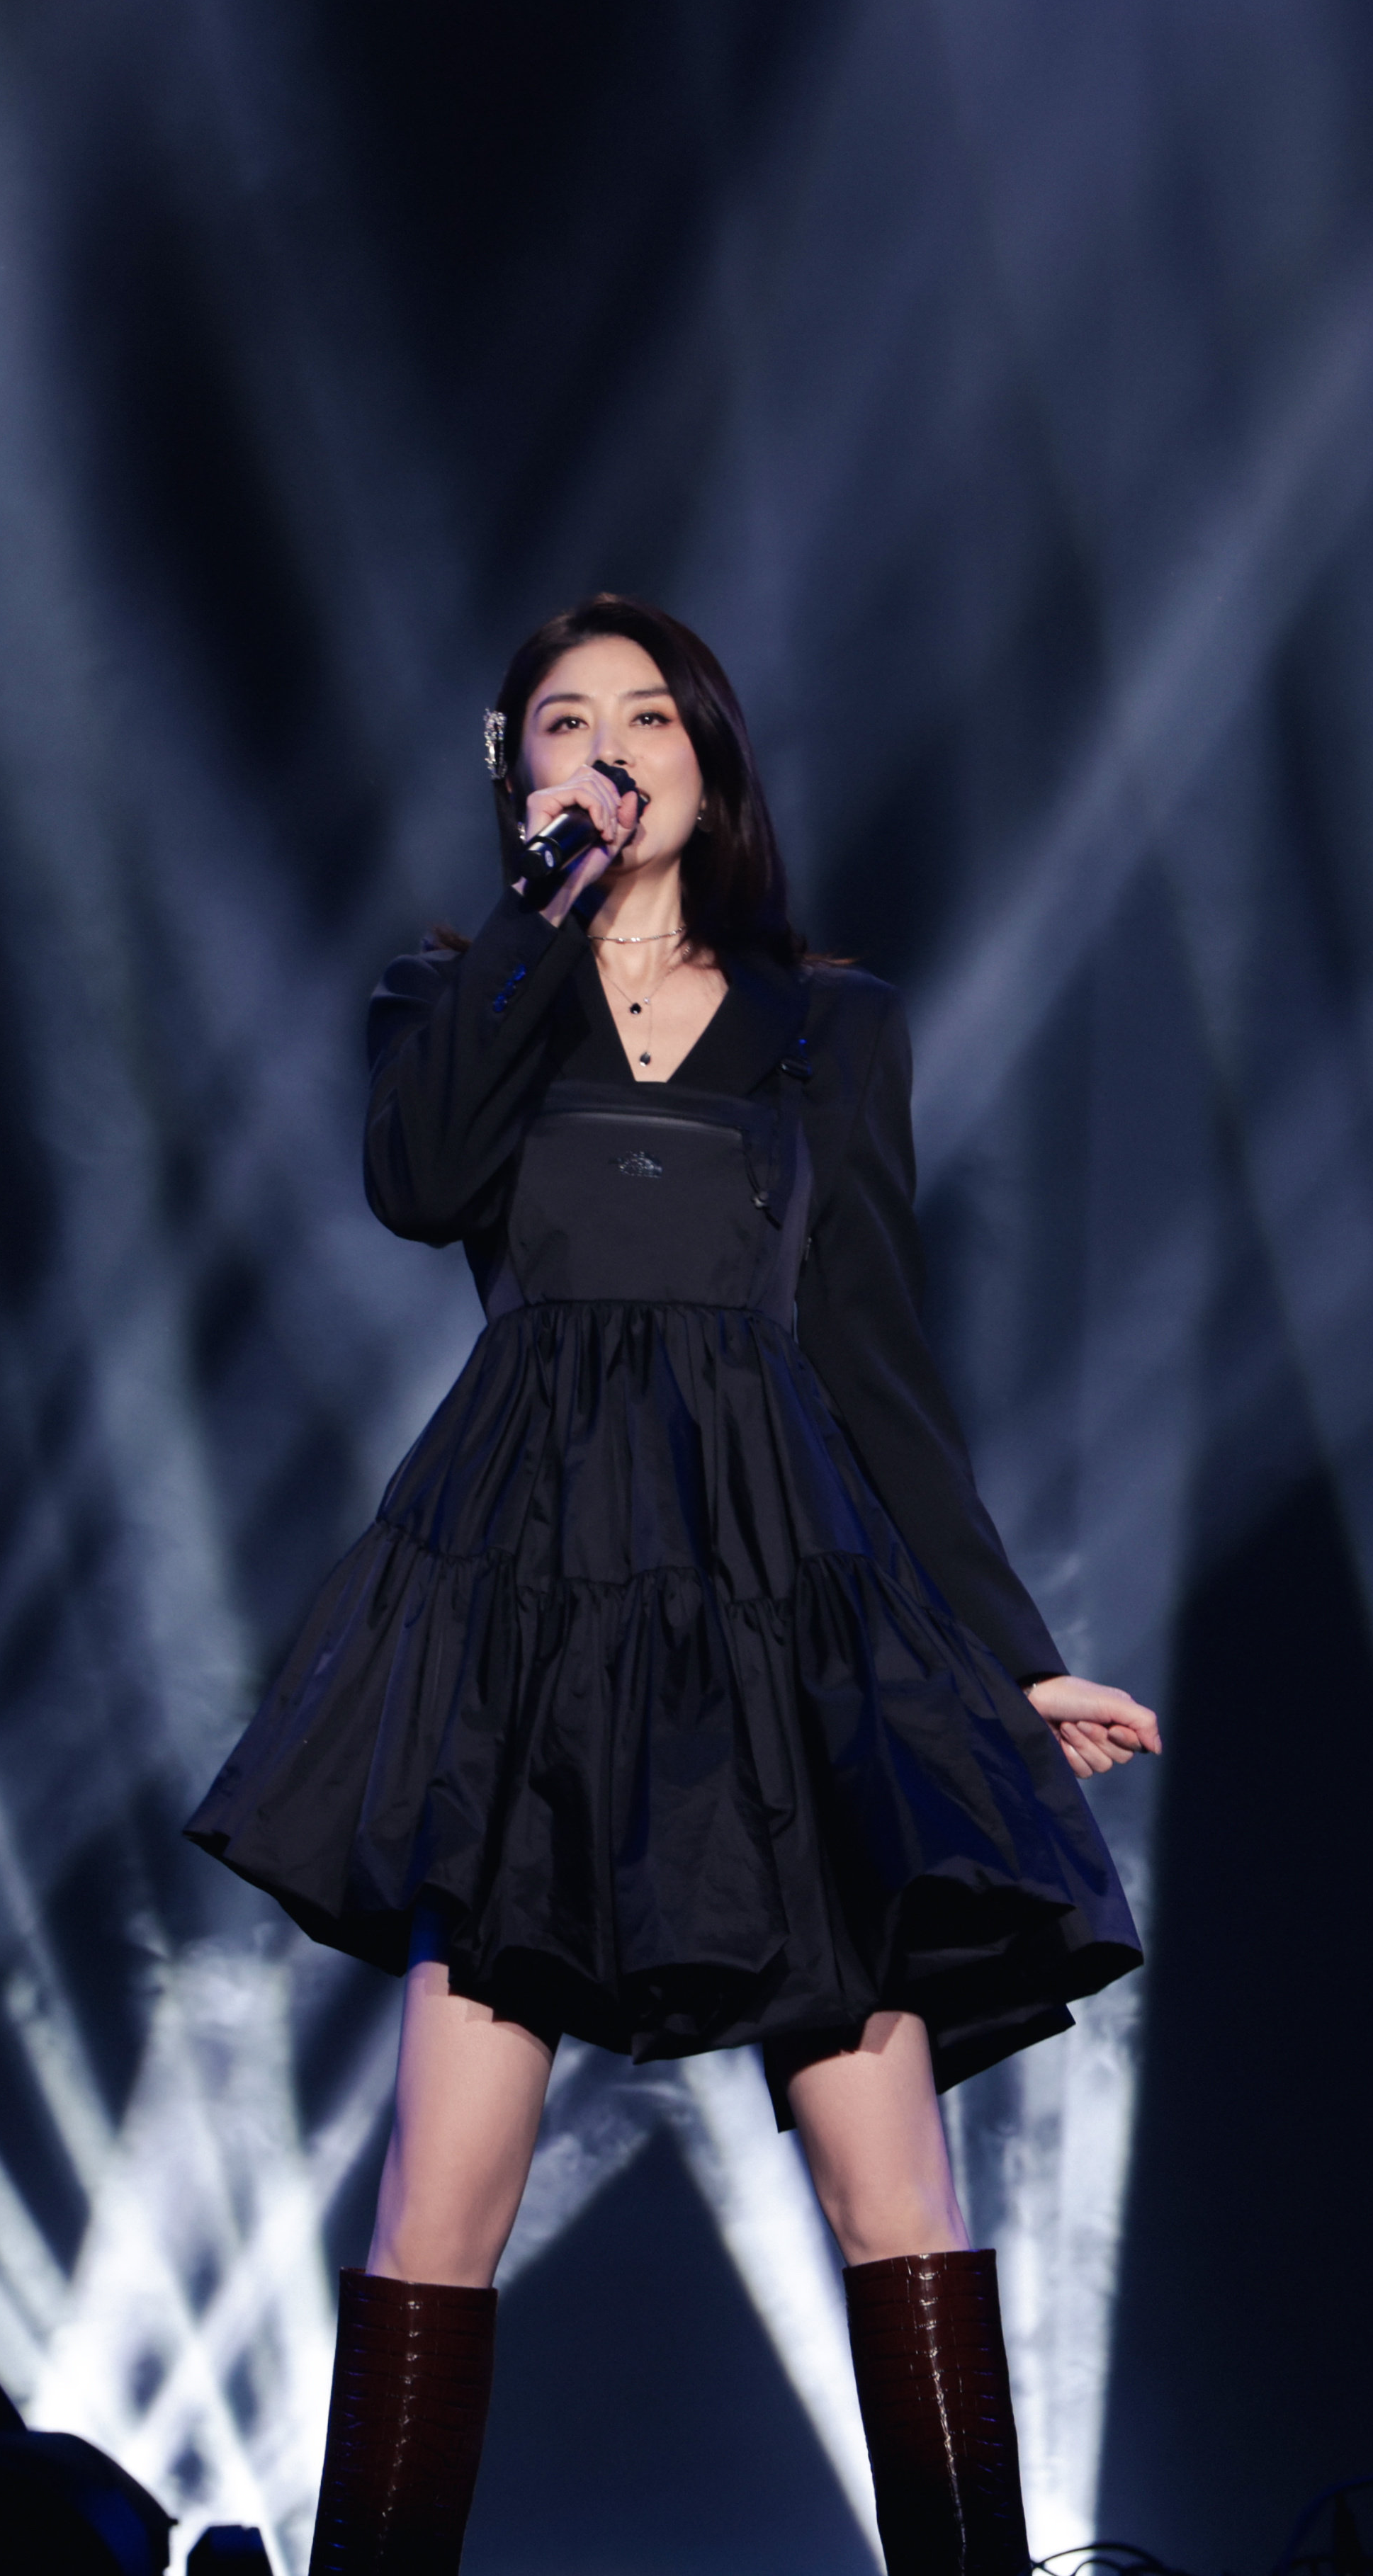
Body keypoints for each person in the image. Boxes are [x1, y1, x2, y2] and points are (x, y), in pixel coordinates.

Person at [186, 596, 1158, 2576]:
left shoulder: (830, 1025)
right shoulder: (455, 995)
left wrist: (1008, 1662)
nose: (611, 748)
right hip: (525, 1596)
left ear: (708, 761)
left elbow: (873, 1357)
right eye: (566, 723)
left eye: (649, 717)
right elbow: (417, 1186)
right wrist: (539, 919)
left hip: (781, 1592)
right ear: (516, 774)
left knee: (896, 2190)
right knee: (439, 2201)